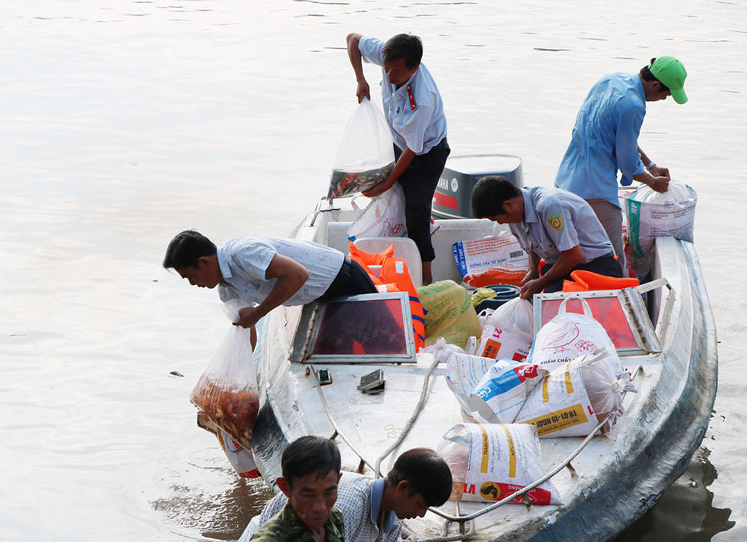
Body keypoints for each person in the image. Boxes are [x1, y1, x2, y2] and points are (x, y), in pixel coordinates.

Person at [555, 56, 688, 273]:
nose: (665, 99)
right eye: (667, 94)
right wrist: (652, 183)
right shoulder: (634, 106)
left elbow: (616, 137)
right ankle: (622, 300)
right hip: (594, 190)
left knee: (573, 250)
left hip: (566, 179)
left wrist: (650, 165)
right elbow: (627, 162)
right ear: (655, 85)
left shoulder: (610, 79)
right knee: (613, 258)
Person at [346, 32, 450, 285]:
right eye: (386, 69)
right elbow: (352, 40)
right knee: (365, 178)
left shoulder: (423, 99)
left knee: (416, 208)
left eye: (396, 72)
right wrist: (361, 80)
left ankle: (426, 276)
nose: (390, 76)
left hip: (426, 153)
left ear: (414, 68)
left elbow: (412, 151)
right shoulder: (387, 55)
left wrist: (387, 182)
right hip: (397, 139)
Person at [162, 231, 377, 333]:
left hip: (345, 280)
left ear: (204, 262)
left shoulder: (242, 253)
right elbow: (247, 331)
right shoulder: (227, 290)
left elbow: (297, 275)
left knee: (380, 344)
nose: (192, 284)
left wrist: (257, 313)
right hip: (320, 299)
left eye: (190, 276)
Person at [239, 448, 453, 542]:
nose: (422, 515)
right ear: (403, 488)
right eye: (421, 505)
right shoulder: (346, 506)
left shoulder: (392, 523)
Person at [471, 176, 621, 299]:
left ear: (508, 205)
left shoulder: (549, 206)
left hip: (596, 266)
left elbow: (574, 254)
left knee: (558, 306)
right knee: (539, 301)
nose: (500, 223)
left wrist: (541, 282)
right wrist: (533, 271)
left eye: (497, 219)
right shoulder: (515, 216)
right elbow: (533, 247)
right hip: (562, 265)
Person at [250, 436, 345, 542]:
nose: (320, 508)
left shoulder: (334, 517)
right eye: (308, 495)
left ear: (338, 481)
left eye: (328, 493)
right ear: (285, 487)